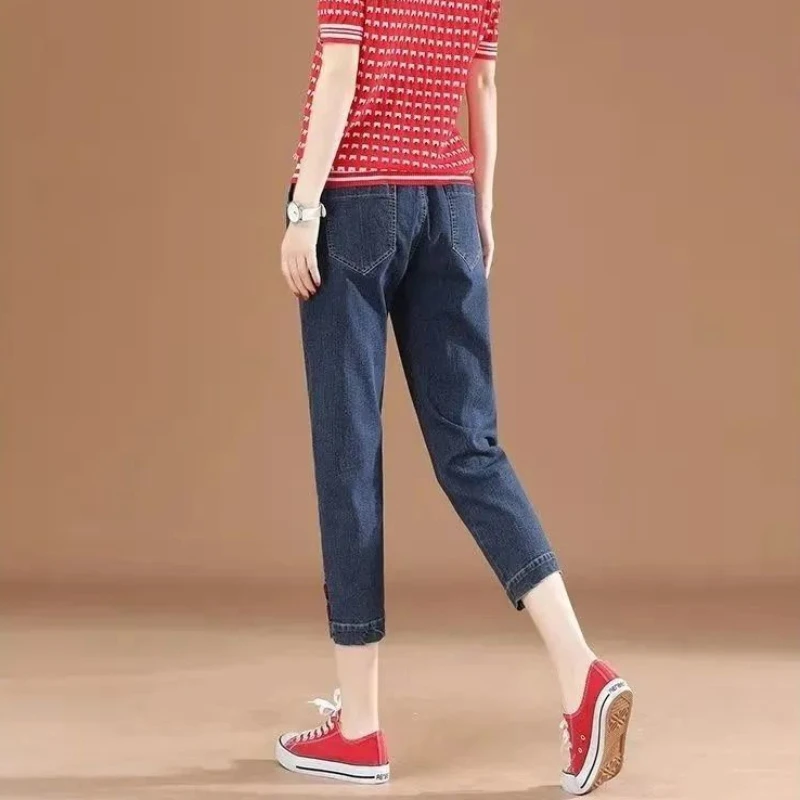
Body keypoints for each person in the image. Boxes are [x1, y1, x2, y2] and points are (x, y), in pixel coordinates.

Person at [276, 1, 633, 794]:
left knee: (349, 456)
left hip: (354, 203)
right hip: (449, 203)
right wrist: (481, 208)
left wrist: (303, 209)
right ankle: (580, 670)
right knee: (473, 448)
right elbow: (483, 83)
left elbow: (341, 71)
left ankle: (359, 731)